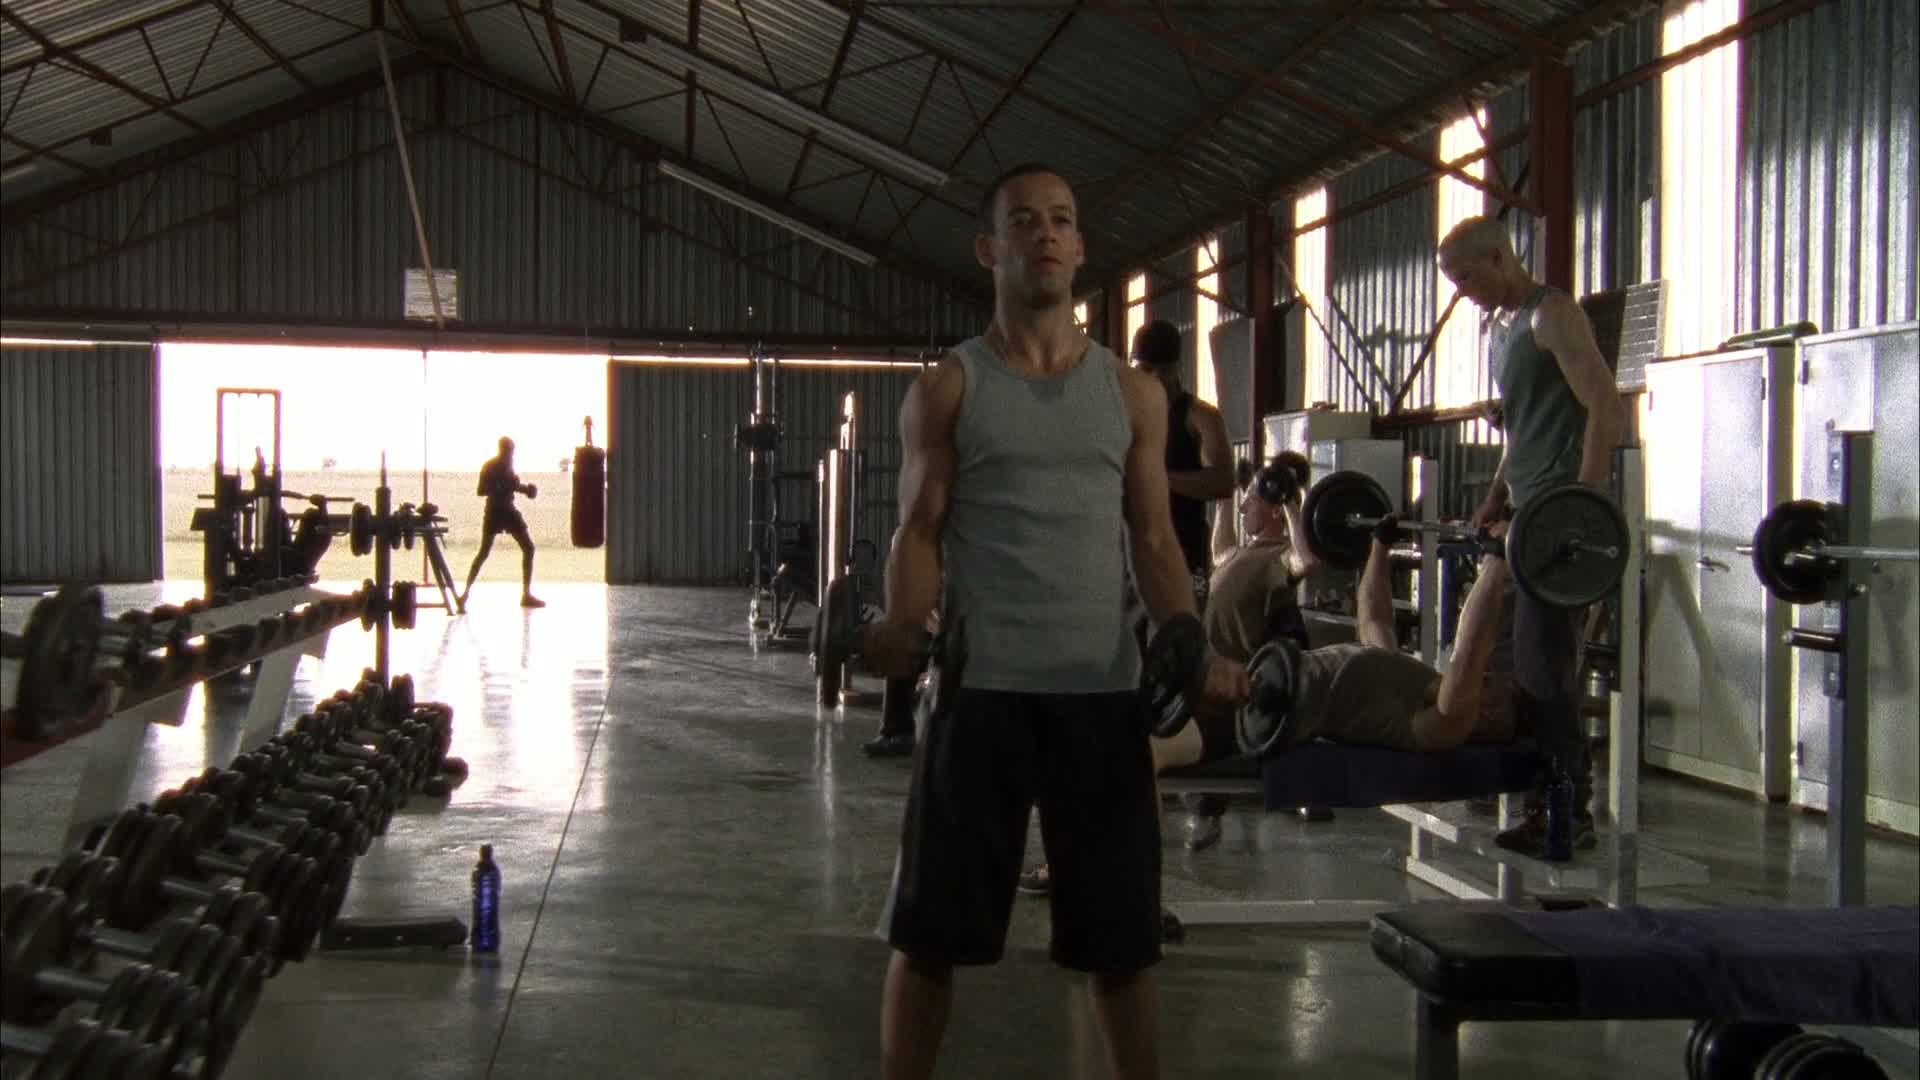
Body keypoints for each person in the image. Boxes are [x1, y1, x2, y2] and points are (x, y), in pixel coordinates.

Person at [859, 162, 1247, 1080]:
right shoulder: (950, 387)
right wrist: (904, 622)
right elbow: (919, 531)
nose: (1046, 234)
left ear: (1079, 249)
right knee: (929, 937)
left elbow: (1154, 538)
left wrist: (1187, 637)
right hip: (980, 693)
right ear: (989, 249)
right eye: (1025, 220)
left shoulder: (1131, 394)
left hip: (1101, 696)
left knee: (1121, 943)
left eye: (1062, 220)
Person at [1439, 215, 1625, 858]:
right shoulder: (1503, 330)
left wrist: (1580, 506)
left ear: (1499, 257)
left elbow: (1605, 406)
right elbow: (1521, 430)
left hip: (1557, 523)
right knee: (1512, 667)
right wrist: (1495, 496)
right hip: (1525, 517)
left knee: (1546, 668)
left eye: (1466, 278)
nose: (1463, 293)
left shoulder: (1553, 315)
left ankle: (1571, 808)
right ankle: (1539, 799)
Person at [1156, 516, 1517, 775]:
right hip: (1263, 673)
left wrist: (1495, 563)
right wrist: (1379, 545)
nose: (1492, 680)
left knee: (1155, 746)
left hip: (1269, 710)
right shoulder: (1409, 678)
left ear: (1491, 719)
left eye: (1501, 695)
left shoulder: (1439, 727)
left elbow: (1468, 656)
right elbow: (1374, 619)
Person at [1129, 320, 1236, 604]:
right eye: (1143, 370)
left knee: (1181, 625)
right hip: (1131, 550)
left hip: (1182, 549)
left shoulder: (1200, 417)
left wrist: (1161, 478)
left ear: (1174, 369)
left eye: (1159, 371)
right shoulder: (1124, 416)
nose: (1151, 379)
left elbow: (1224, 481)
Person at [461, 436, 544, 611]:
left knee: (528, 548)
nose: (511, 454)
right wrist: (501, 485)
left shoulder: (507, 465)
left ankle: (526, 594)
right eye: (509, 451)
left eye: (512, 452)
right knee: (483, 553)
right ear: (502, 449)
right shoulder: (491, 466)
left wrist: (526, 490)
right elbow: (481, 490)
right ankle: (465, 594)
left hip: (508, 511)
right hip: (495, 512)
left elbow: (512, 486)